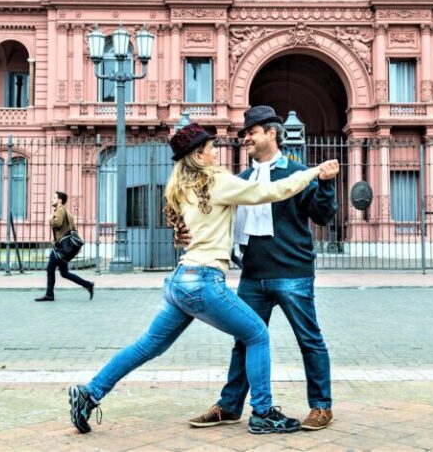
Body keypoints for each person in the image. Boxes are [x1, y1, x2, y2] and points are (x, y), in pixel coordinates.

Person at [67, 122, 339, 435]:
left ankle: (90, 394)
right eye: (210, 147)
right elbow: (273, 191)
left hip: (181, 281)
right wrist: (312, 172)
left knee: (147, 346)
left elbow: (189, 232)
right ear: (199, 155)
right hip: (205, 281)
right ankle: (263, 413)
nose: (215, 151)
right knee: (257, 336)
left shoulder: (180, 187)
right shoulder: (219, 181)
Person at [186, 105, 339, 432]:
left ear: (272, 133)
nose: (246, 139)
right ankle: (229, 406)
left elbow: (324, 216)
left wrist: (325, 185)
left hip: (293, 274)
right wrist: (185, 231)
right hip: (252, 276)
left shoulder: (297, 173)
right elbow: (214, 219)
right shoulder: (242, 181)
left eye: (252, 133)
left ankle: (322, 406)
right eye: (244, 134)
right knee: (244, 340)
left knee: (309, 339)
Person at [35, 191, 94, 302]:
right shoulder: (67, 212)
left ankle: (49, 294)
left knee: (50, 268)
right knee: (64, 273)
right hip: (64, 247)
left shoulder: (60, 210)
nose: (52, 199)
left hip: (61, 248)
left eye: (54, 197)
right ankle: (88, 284)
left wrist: (50, 219)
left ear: (60, 200)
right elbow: (72, 228)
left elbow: (57, 223)